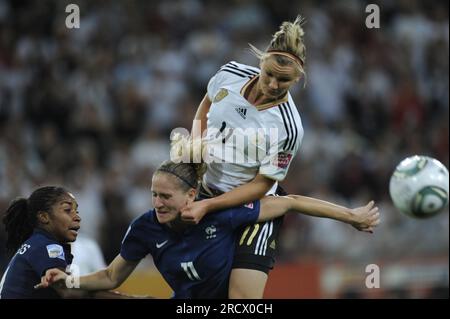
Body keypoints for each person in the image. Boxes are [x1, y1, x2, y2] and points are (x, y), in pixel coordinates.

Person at [37, 161, 380, 299]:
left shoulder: (220, 215)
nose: (157, 202)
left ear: (190, 195)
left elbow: (288, 202)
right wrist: (69, 280)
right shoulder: (143, 228)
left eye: (165, 196)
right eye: (154, 194)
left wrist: (350, 215)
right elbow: (112, 277)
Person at [181, 15, 310, 298]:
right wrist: (197, 141)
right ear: (261, 62)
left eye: (284, 80)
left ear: (297, 78)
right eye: (270, 74)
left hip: (255, 209)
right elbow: (205, 106)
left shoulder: (289, 127)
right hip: (206, 195)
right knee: (202, 294)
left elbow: (263, 184)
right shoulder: (229, 73)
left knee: (241, 299)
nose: (274, 84)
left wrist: (211, 205)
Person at [0, 186, 81, 298]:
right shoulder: (46, 246)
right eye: (67, 210)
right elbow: (68, 292)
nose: (77, 217)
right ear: (44, 217)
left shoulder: (36, 242)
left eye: (76, 211)